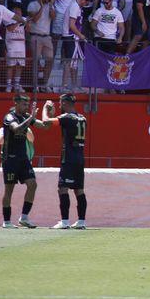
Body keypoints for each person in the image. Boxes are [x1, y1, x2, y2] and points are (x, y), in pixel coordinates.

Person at [0, 91, 54, 228]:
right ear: (16, 103)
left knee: (32, 184)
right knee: (9, 189)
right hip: (10, 158)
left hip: (23, 158)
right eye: (24, 104)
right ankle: (7, 221)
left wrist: (48, 112)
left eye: (28, 104)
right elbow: (17, 129)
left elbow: (45, 126)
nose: (26, 107)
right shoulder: (9, 117)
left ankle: (24, 217)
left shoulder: (26, 116)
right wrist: (31, 118)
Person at [52, 92, 89, 229]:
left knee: (62, 188)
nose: (59, 105)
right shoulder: (83, 118)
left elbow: (47, 122)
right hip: (80, 158)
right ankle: (81, 221)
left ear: (66, 103)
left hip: (68, 158)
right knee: (79, 190)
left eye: (60, 103)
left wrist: (46, 111)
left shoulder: (67, 117)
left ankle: (65, 221)